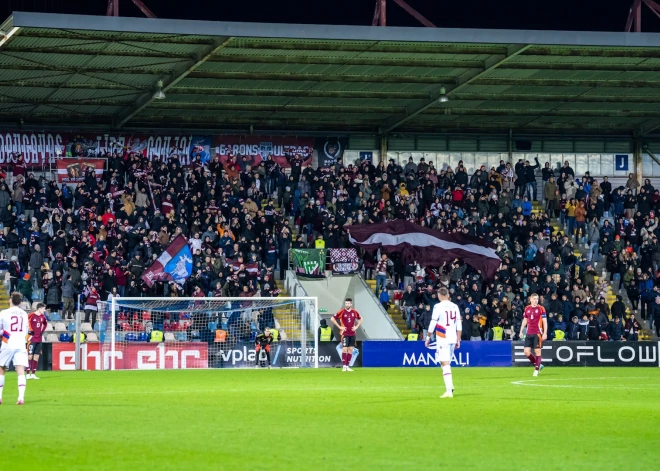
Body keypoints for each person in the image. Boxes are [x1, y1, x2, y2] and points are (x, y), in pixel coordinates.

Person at [426, 287, 461, 398]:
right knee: (445, 363)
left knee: (445, 364)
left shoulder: (438, 306)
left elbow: (433, 322)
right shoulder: (455, 306)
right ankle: (450, 386)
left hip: (443, 338)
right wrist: (458, 339)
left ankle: (449, 391)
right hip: (452, 338)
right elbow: (459, 325)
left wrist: (428, 337)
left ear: (440, 295)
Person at [0, 292, 30, 405]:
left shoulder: (4, 313)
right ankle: (21, 398)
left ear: (10, 300)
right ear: (20, 302)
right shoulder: (24, 314)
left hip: (8, 342)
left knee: (2, 370)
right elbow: (26, 331)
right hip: (21, 343)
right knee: (20, 370)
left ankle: (0, 397)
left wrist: (4, 333)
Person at [519, 293, 548, 377]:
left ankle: (536, 370)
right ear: (530, 299)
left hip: (537, 333)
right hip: (529, 333)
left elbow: (545, 322)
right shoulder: (527, 308)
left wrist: (545, 333)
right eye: (534, 299)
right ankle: (538, 364)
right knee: (526, 352)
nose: (536, 300)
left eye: (537, 299)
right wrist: (521, 331)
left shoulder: (541, 308)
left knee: (537, 352)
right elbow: (525, 320)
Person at [331, 298, 362, 372]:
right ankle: (344, 366)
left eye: (348, 303)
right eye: (346, 303)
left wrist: (356, 327)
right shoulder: (342, 311)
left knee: (350, 350)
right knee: (344, 349)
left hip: (352, 333)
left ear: (351, 304)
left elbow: (361, 319)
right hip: (344, 333)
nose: (347, 305)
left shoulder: (354, 312)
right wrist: (339, 327)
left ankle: (348, 366)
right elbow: (332, 318)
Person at [27, 303, 47, 380]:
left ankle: (33, 374)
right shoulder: (31, 315)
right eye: (43, 309)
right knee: (30, 355)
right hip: (32, 338)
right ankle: (28, 373)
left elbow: (45, 324)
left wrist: (42, 331)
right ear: (39, 308)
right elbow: (26, 323)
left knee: (36, 356)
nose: (44, 310)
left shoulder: (42, 317)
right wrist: (30, 331)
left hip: (39, 339)